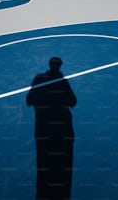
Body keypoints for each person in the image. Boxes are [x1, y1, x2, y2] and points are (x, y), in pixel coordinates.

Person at [26, 57, 77, 200]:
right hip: (61, 132)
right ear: (59, 66)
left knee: (43, 164)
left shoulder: (39, 78)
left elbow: (29, 100)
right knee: (62, 167)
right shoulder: (62, 81)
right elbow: (73, 102)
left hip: (43, 130)